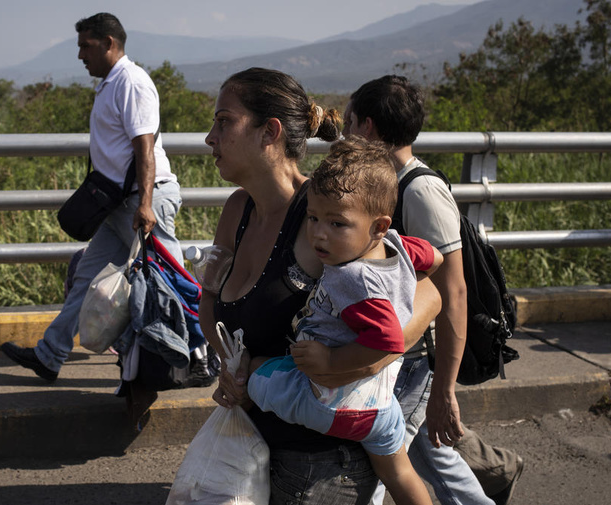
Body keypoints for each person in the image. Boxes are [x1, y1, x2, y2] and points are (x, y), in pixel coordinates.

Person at [201, 67, 442, 505]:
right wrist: (232, 370)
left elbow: (427, 293)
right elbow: (215, 311)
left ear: (268, 132)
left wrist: (357, 360)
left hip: (323, 466)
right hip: (254, 445)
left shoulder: (330, 214)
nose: (209, 138)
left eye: (223, 121)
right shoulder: (237, 211)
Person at [344, 75, 525, 505]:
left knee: (377, 466)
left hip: (413, 361)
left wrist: (444, 388)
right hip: (391, 353)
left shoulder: (420, 190)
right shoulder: (383, 181)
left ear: (367, 126)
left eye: (350, 122)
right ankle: (491, 486)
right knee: (434, 458)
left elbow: (454, 292)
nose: (346, 132)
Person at [247, 138, 442, 505]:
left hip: (335, 403)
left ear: (378, 226)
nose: (319, 233)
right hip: (382, 406)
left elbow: (387, 340)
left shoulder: (352, 278)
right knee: (399, 472)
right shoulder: (398, 244)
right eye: (314, 218)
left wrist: (331, 362)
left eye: (338, 223)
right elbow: (434, 258)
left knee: (256, 375)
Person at [0, 12, 183, 381]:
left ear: (109, 43)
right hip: (120, 205)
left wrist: (146, 205)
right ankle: (50, 355)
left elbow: (144, 148)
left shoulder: (131, 82)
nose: (81, 55)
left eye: (86, 46)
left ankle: (196, 355)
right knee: (86, 277)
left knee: (169, 281)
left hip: (141, 202)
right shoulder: (110, 83)